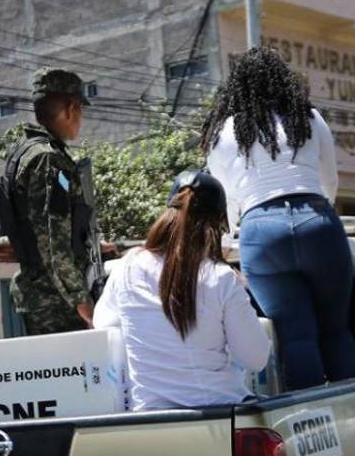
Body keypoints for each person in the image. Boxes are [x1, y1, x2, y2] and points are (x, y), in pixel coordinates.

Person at [202, 46, 355, 391]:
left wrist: (225, 245)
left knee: (294, 336)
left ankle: (311, 412)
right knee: (335, 329)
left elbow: (225, 202)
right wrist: (320, 216)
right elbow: (329, 179)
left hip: (260, 232)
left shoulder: (222, 132)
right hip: (316, 219)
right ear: (283, 78)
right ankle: (348, 406)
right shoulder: (309, 117)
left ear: (236, 86)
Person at [94, 170, 270, 411]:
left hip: (150, 413)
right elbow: (256, 358)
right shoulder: (220, 277)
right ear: (217, 225)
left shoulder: (127, 267)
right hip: (220, 407)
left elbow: (104, 325)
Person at [7, 67, 99, 335]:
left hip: (42, 295)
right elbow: (52, 240)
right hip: (57, 303)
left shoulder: (27, 153)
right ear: (70, 109)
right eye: (80, 109)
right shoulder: (48, 160)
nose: (81, 119)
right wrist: (80, 300)